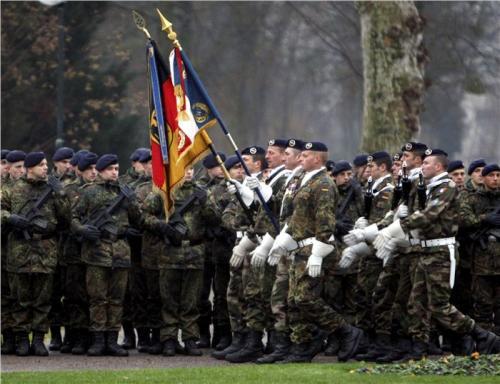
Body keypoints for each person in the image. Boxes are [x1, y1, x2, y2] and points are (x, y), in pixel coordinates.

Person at [375, 149, 500, 361]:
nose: (422, 166)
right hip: (425, 250)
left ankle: (481, 334)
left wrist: (395, 229)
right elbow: (412, 207)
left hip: (441, 252)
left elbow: (429, 215)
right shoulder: (428, 187)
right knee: (417, 304)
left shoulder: (447, 187)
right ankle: (418, 347)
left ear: (439, 167)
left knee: (439, 305)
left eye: (427, 163)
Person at [279, 141, 363, 363]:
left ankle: (345, 331)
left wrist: (318, 253)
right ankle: (302, 345)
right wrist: (284, 238)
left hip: (314, 247)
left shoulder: (324, 183)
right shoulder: (303, 180)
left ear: (317, 159)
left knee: (305, 298)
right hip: (299, 246)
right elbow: (296, 214)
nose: (300, 159)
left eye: (304, 155)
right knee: (294, 300)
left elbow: (325, 221)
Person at [226, 138, 291, 363]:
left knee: (269, 297)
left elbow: (277, 216)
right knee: (254, 295)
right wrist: (244, 193)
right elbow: (257, 213)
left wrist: (260, 243)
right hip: (258, 242)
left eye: (272, 153)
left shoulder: (283, 180)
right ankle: (252, 341)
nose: (268, 157)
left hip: (273, 245)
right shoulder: (267, 179)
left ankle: (272, 343)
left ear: (283, 156)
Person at [1, 152, 70, 356]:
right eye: (41, 165)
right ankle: (22, 339)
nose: (46, 168)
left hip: (45, 250)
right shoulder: (11, 188)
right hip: (19, 250)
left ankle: (39, 339)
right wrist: (10, 217)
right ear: (30, 168)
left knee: (43, 299)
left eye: (46, 164)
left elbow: (66, 219)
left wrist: (61, 194)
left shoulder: (53, 189)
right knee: (20, 299)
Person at [72, 154, 142, 357]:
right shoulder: (89, 192)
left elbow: (137, 219)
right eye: (110, 169)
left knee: (117, 299)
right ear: (101, 171)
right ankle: (98, 340)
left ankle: (112, 339)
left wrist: (132, 202)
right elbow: (74, 217)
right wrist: (83, 229)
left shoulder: (125, 192)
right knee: (97, 298)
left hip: (120, 250)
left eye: (117, 168)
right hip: (96, 251)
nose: (115, 172)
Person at [59, 152, 98, 355]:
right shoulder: (68, 190)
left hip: (95, 252)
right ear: (79, 171)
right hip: (73, 251)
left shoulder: (101, 190)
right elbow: (63, 219)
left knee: (93, 295)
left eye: (95, 168)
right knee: (75, 296)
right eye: (88, 169)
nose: (93, 173)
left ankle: (92, 336)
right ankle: (76, 335)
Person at [459, 164, 500, 337]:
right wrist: (485, 219)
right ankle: (486, 342)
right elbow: (464, 219)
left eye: (498, 175)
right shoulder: (472, 199)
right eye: (491, 175)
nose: (496, 179)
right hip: (481, 263)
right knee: (482, 305)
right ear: (483, 178)